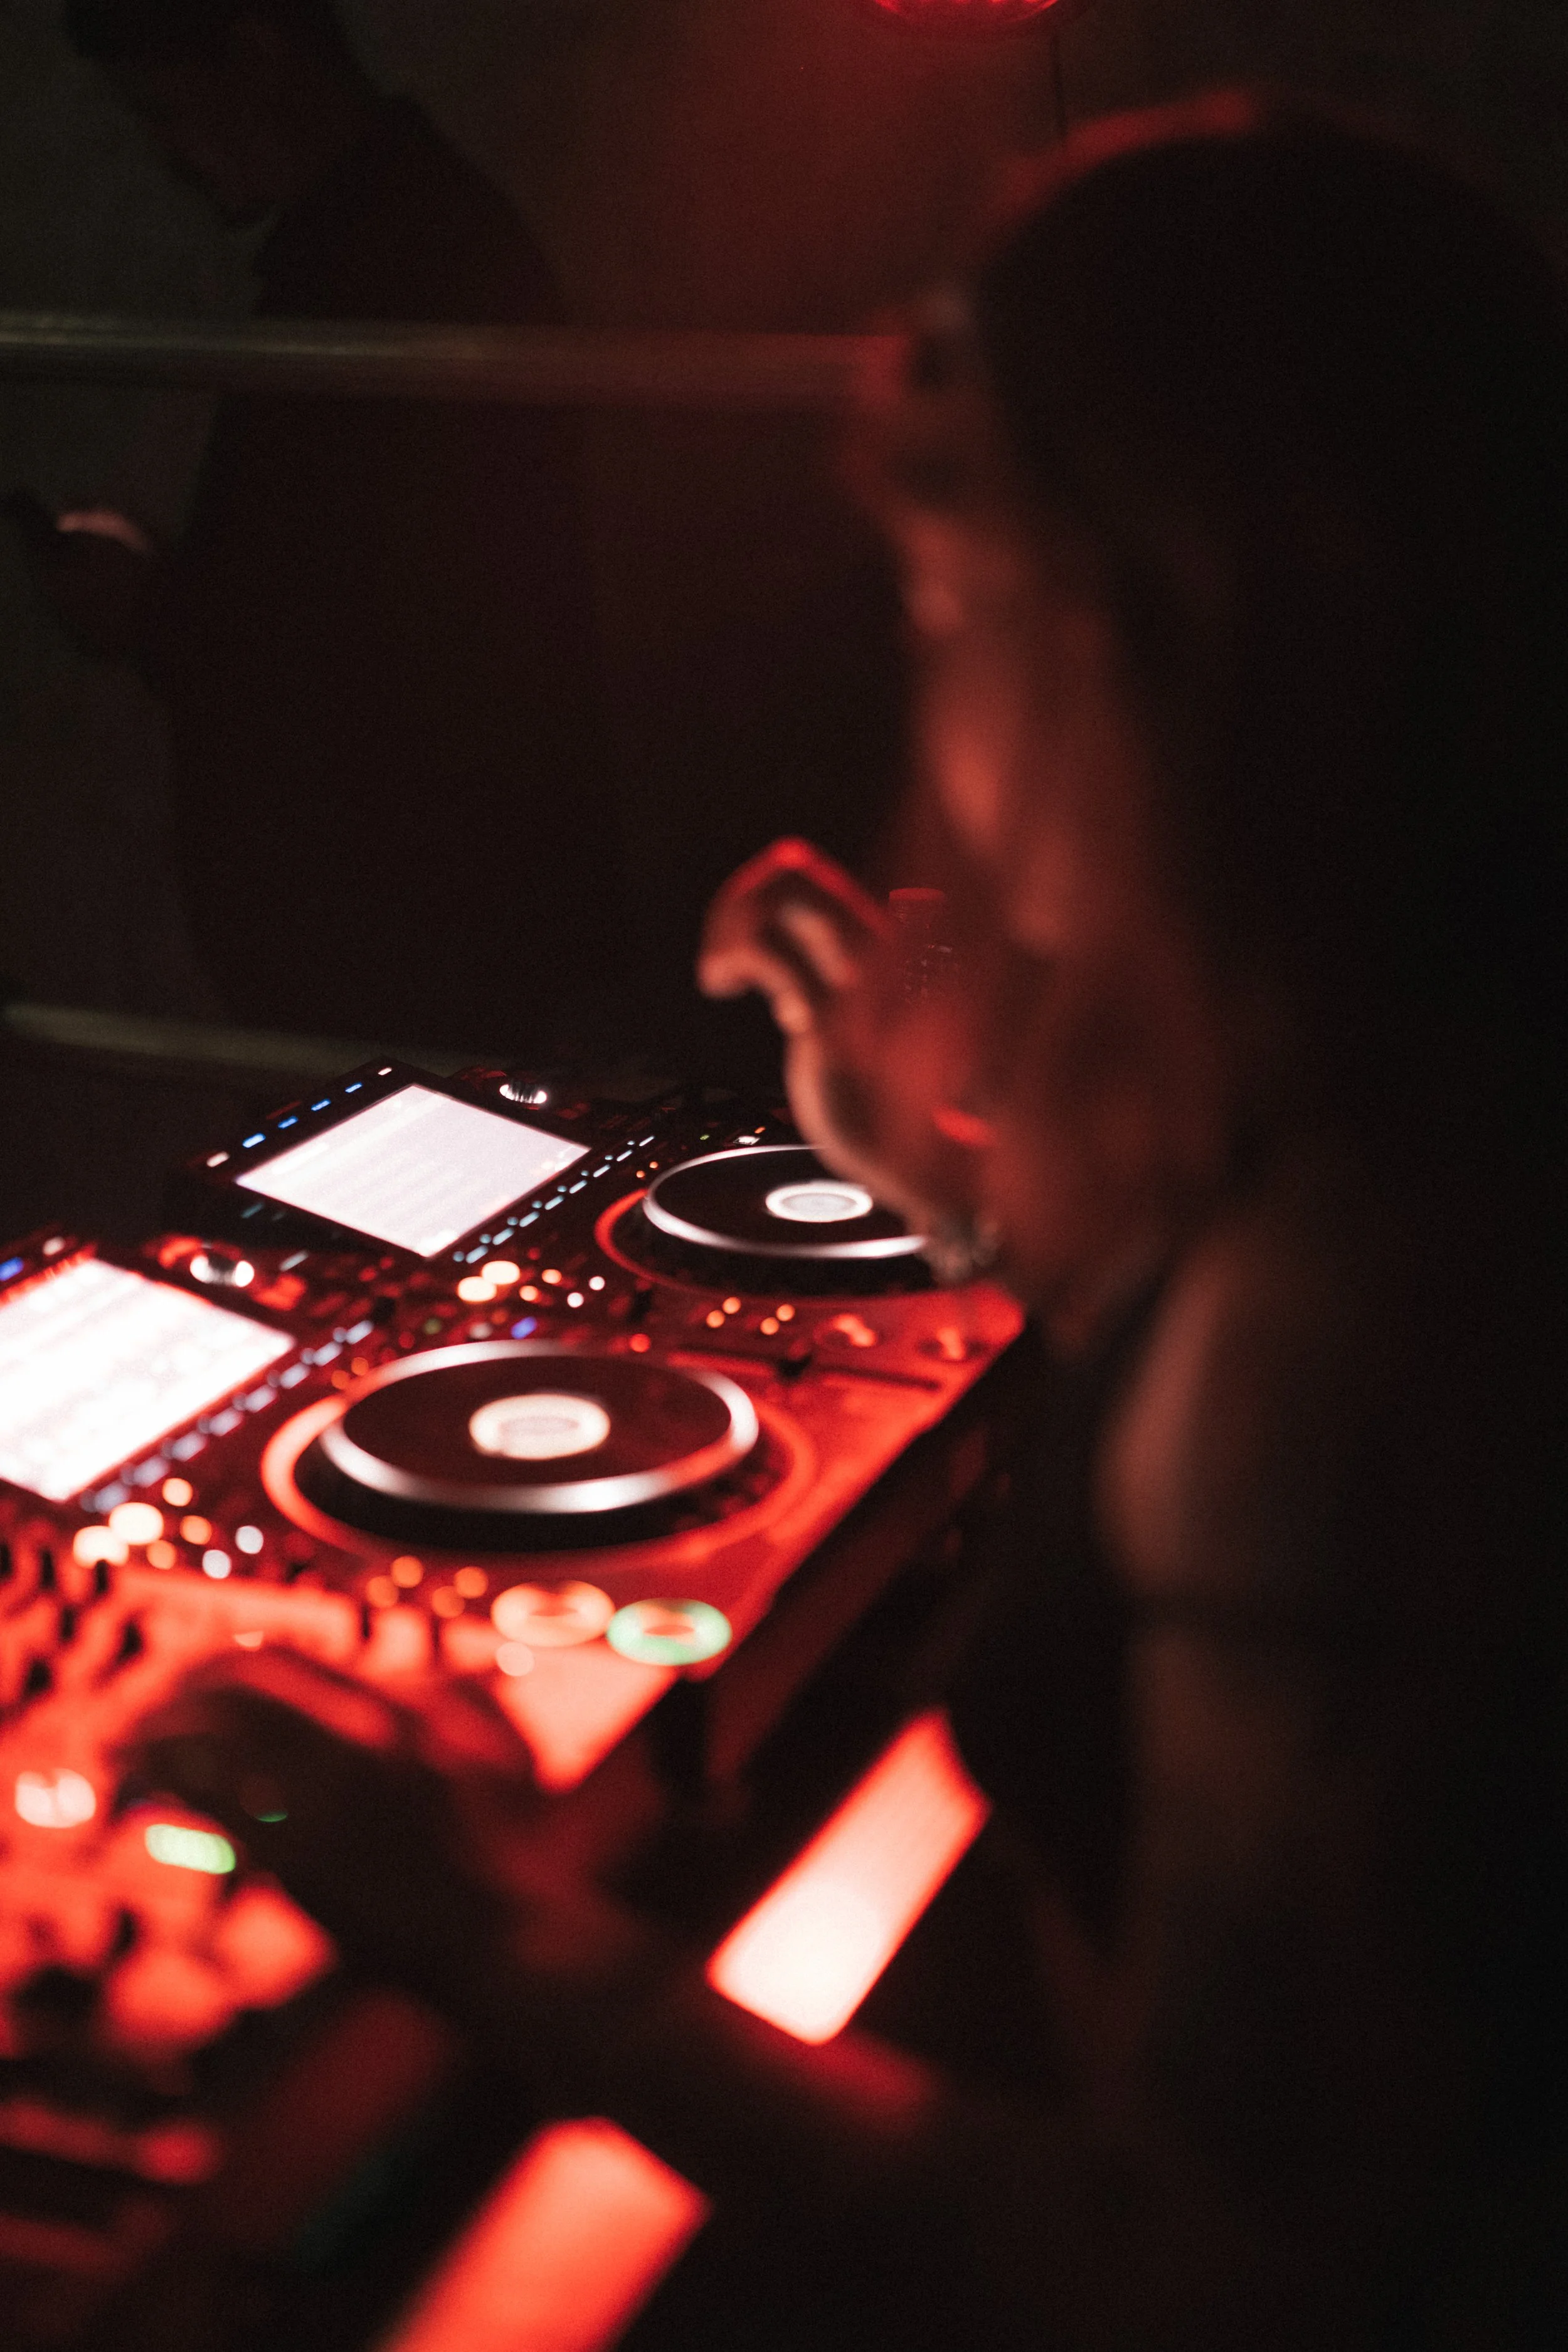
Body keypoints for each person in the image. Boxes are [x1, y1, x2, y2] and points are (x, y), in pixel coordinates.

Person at [127, 94, 1568, 2346]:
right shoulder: (1440, 1097)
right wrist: (962, 1205)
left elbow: (1204, 2277)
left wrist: (503, 1935)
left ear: (1153, 652)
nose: (950, 715)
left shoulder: (1353, 1323)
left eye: (956, 613)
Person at [14, 0, 622, 1054]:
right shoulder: (392, 242)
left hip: (417, 948)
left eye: (165, 109)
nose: (169, 152)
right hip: (423, 943)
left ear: (255, 42)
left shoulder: (398, 265)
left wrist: (147, 609)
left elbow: (372, 638)